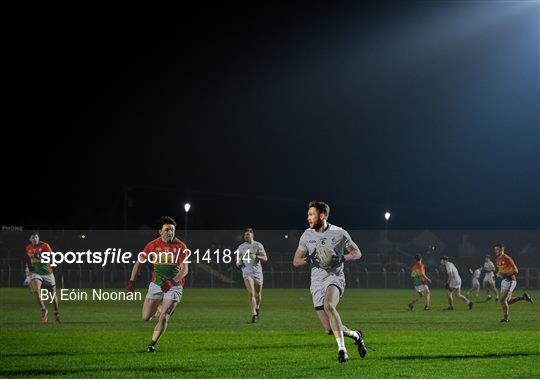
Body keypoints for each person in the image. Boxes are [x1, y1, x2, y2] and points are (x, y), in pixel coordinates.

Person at [292, 201, 366, 363]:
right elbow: (296, 261)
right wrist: (309, 259)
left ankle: (342, 350)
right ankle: (356, 335)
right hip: (317, 283)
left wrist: (342, 257)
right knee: (328, 329)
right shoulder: (307, 235)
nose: (308, 218)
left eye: (311, 214)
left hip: (335, 278)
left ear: (322, 215)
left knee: (329, 306)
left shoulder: (339, 233)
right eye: (308, 215)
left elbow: (357, 252)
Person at [126, 216, 188, 352]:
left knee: (165, 316)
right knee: (145, 317)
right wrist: (132, 282)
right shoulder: (152, 245)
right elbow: (139, 263)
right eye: (167, 230)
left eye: (172, 230)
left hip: (174, 286)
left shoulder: (181, 246)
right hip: (156, 285)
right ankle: (160, 308)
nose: (170, 232)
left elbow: (184, 270)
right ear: (160, 231)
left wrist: (172, 281)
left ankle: (152, 344)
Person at [25, 232, 60, 323]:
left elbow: (52, 256)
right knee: (36, 290)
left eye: (36, 237)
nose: (35, 239)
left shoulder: (45, 245)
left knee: (52, 295)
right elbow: (31, 260)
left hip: (48, 272)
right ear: (30, 239)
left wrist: (40, 258)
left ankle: (56, 314)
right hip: (36, 273)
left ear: (38, 238)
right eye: (33, 237)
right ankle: (43, 310)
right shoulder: (28, 248)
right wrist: (31, 266)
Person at [493, 243, 533, 322]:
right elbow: (501, 271)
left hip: (510, 280)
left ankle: (506, 318)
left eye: (497, 249)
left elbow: (516, 270)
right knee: (507, 301)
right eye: (495, 249)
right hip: (504, 281)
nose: (495, 251)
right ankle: (524, 297)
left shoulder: (507, 258)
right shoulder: (498, 259)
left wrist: (504, 274)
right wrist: (497, 274)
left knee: (502, 300)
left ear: (502, 250)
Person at [236, 228, 268, 323]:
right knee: (251, 293)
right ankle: (254, 314)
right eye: (245, 235)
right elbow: (236, 260)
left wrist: (255, 256)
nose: (246, 236)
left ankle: (257, 308)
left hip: (257, 272)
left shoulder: (258, 245)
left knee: (258, 295)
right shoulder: (241, 247)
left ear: (252, 235)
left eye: (248, 234)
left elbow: (265, 258)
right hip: (247, 272)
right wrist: (239, 262)